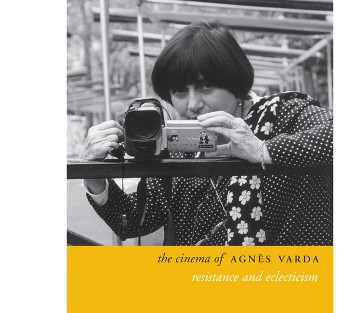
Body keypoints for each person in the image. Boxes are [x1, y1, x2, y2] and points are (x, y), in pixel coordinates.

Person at [81, 21, 333, 246]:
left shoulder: (282, 114)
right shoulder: (179, 145)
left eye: (206, 87)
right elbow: (134, 220)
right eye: (180, 91)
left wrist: (261, 149)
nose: (192, 105)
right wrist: (94, 175)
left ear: (235, 83)